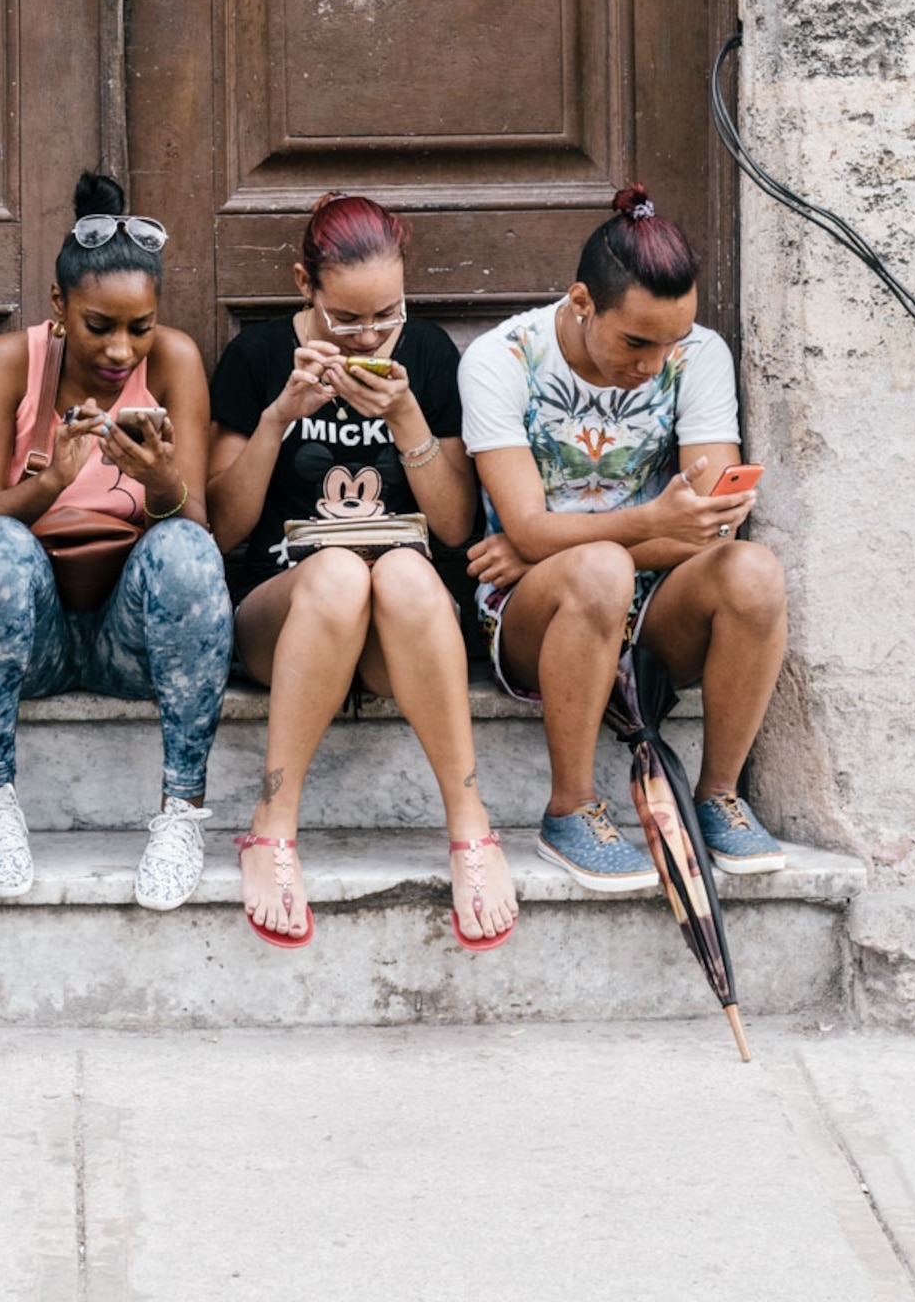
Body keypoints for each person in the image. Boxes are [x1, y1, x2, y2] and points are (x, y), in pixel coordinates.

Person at [208, 194, 517, 954]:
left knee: (409, 573)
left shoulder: (431, 354)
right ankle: (272, 826)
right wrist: (279, 416)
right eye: (348, 320)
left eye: (387, 313)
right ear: (302, 286)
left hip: (397, 630)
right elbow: (223, 526)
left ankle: (470, 827)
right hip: (282, 612)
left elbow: (453, 528)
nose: (371, 334)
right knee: (341, 572)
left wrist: (408, 419)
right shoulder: (255, 358)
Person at [461, 183, 789, 893]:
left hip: (652, 605)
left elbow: (712, 521)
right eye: (635, 341)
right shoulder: (501, 360)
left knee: (753, 571)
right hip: (535, 613)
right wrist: (629, 528)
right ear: (581, 303)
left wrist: (558, 538)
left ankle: (718, 796)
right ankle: (571, 807)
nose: (655, 363)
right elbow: (523, 528)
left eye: (671, 340)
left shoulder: (695, 355)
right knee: (598, 571)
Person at [0, 173, 232, 911]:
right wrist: (45, 485)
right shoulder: (13, 363)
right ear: (58, 306)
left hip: (129, 641)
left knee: (187, 554)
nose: (121, 348)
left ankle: (179, 813)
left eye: (139, 326)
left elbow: (195, 525)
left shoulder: (174, 362)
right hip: (32, 641)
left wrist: (160, 479)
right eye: (100, 324)